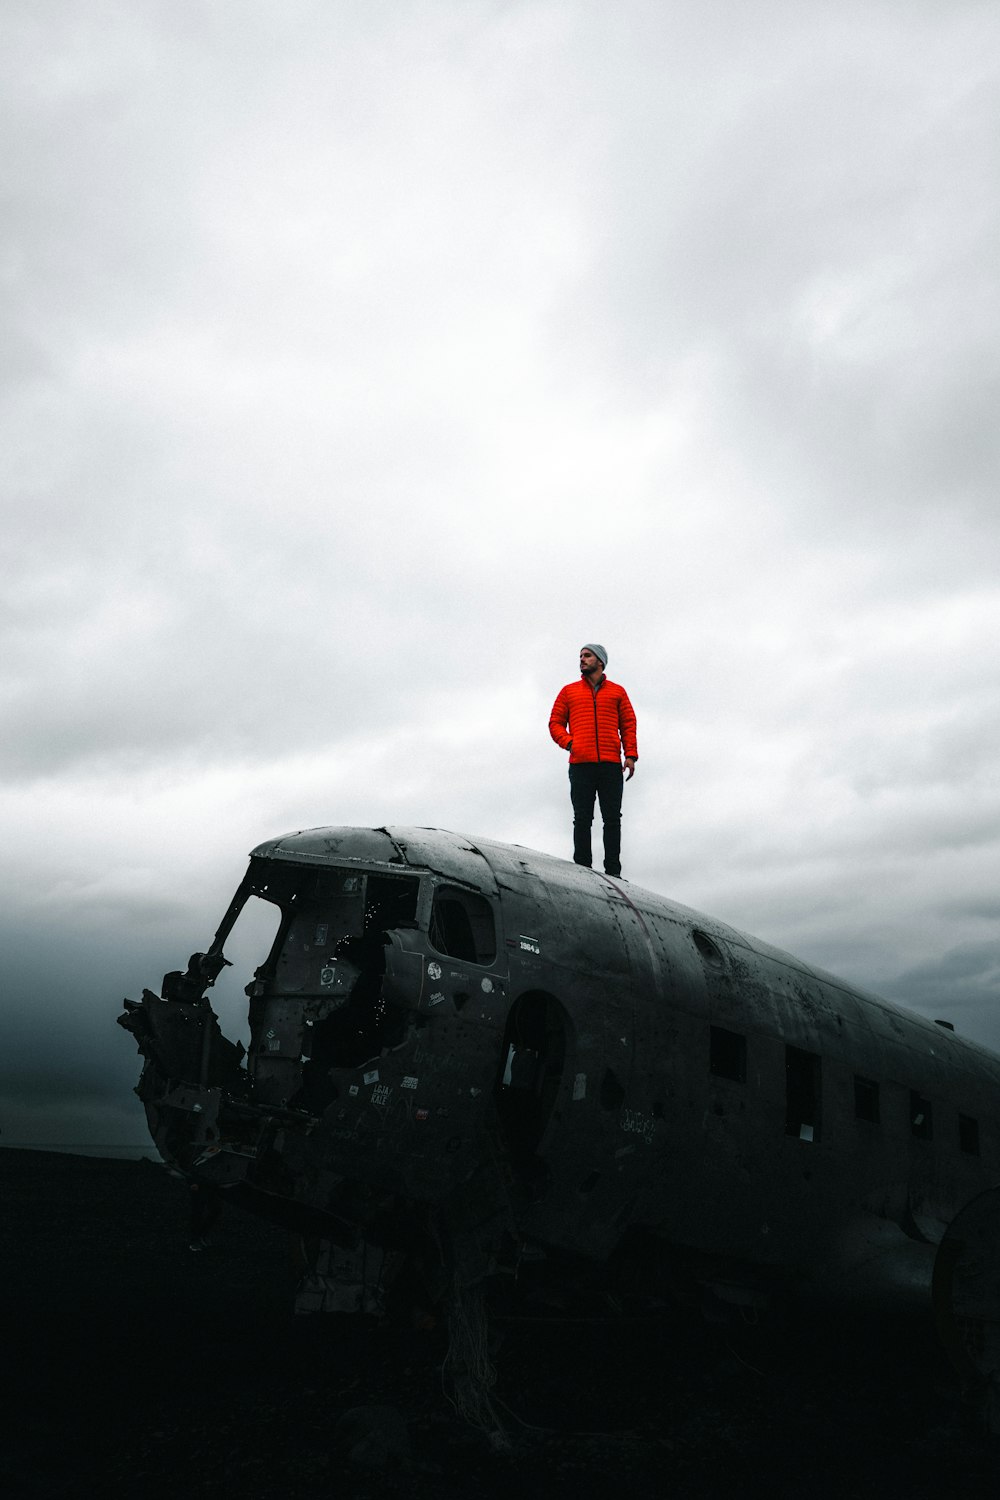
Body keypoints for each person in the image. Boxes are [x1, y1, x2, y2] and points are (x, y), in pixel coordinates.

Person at [548, 644, 638, 878]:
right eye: (580, 656)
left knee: (612, 819)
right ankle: (583, 869)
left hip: (610, 764)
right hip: (580, 764)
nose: (582, 659)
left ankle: (613, 872)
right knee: (582, 818)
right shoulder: (569, 691)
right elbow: (555, 722)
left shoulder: (617, 692)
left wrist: (630, 755)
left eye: (587, 656)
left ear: (600, 661)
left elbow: (628, 724)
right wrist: (570, 743)